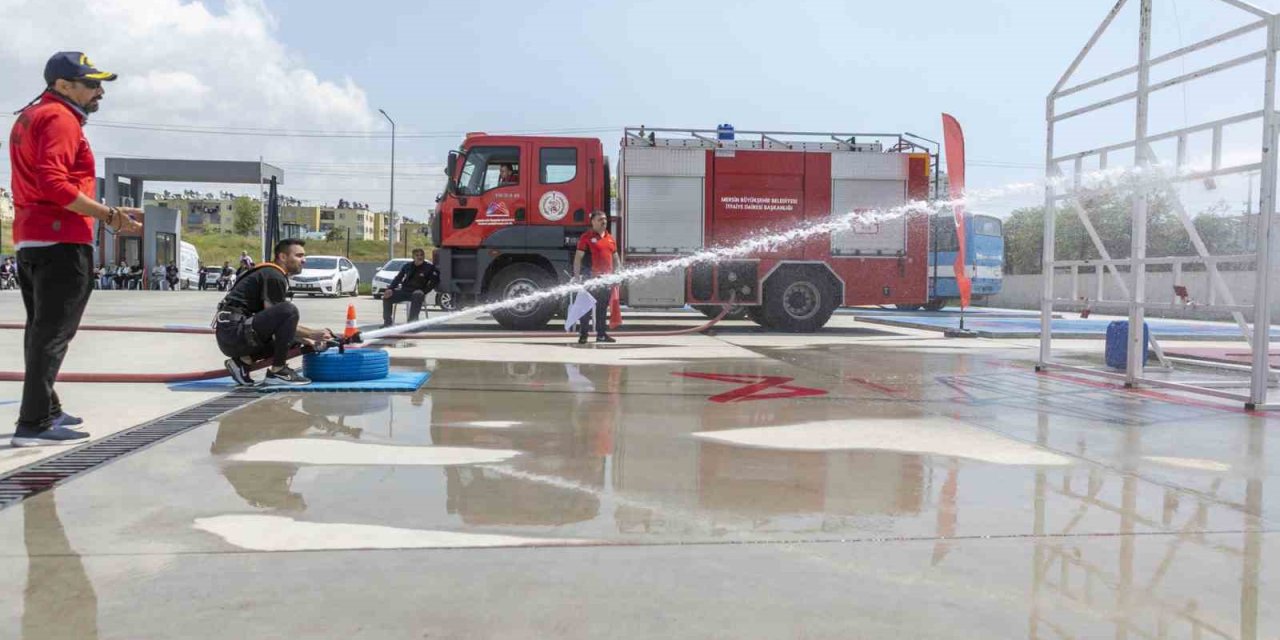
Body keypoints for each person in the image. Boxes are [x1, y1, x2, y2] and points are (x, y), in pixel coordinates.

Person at [7, 52, 142, 447]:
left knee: (40, 330)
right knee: (52, 334)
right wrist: (109, 215)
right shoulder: (60, 119)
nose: (100, 91)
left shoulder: (33, 115)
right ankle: (32, 425)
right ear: (64, 86)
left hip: (32, 237)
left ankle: (46, 409)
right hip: (60, 239)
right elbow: (55, 184)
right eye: (91, 84)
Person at [214, 238, 333, 387]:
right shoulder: (274, 275)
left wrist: (306, 340)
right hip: (235, 334)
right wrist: (312, 334)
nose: (303, 260)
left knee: (293, 339)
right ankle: (278, 371)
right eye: (299, 255)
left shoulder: (269, 273)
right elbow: (281, 318)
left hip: (231, 335)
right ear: (283, 257)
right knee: (289, 310)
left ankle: (242, 362)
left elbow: (280, 327)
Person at [572, 210, 621, 344]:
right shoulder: (586, 237)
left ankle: (601, 334)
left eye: (605, 219)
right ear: (593, 222)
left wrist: (618, 274)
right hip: (590, 278)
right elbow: (578, 258)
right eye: (600, 219)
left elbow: (616, 258)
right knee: (585, 308)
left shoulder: (610, 238)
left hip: (606, 280)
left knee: (602, 308)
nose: (604, 222)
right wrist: (577, 277)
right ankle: (583, 335)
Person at [381, 247, 439, 328]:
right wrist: (390, 288)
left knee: (417, 294)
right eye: (417, 255)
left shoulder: (429, 268)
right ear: (413, 257)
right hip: (405, 291)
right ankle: (387, 323)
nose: (420, 257)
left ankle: (412, 323)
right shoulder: (407, 266)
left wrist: (424, 291)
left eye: (422, 255)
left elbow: (434, 282)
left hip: (417, 292)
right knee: (387, 296)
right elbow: (398, 278)